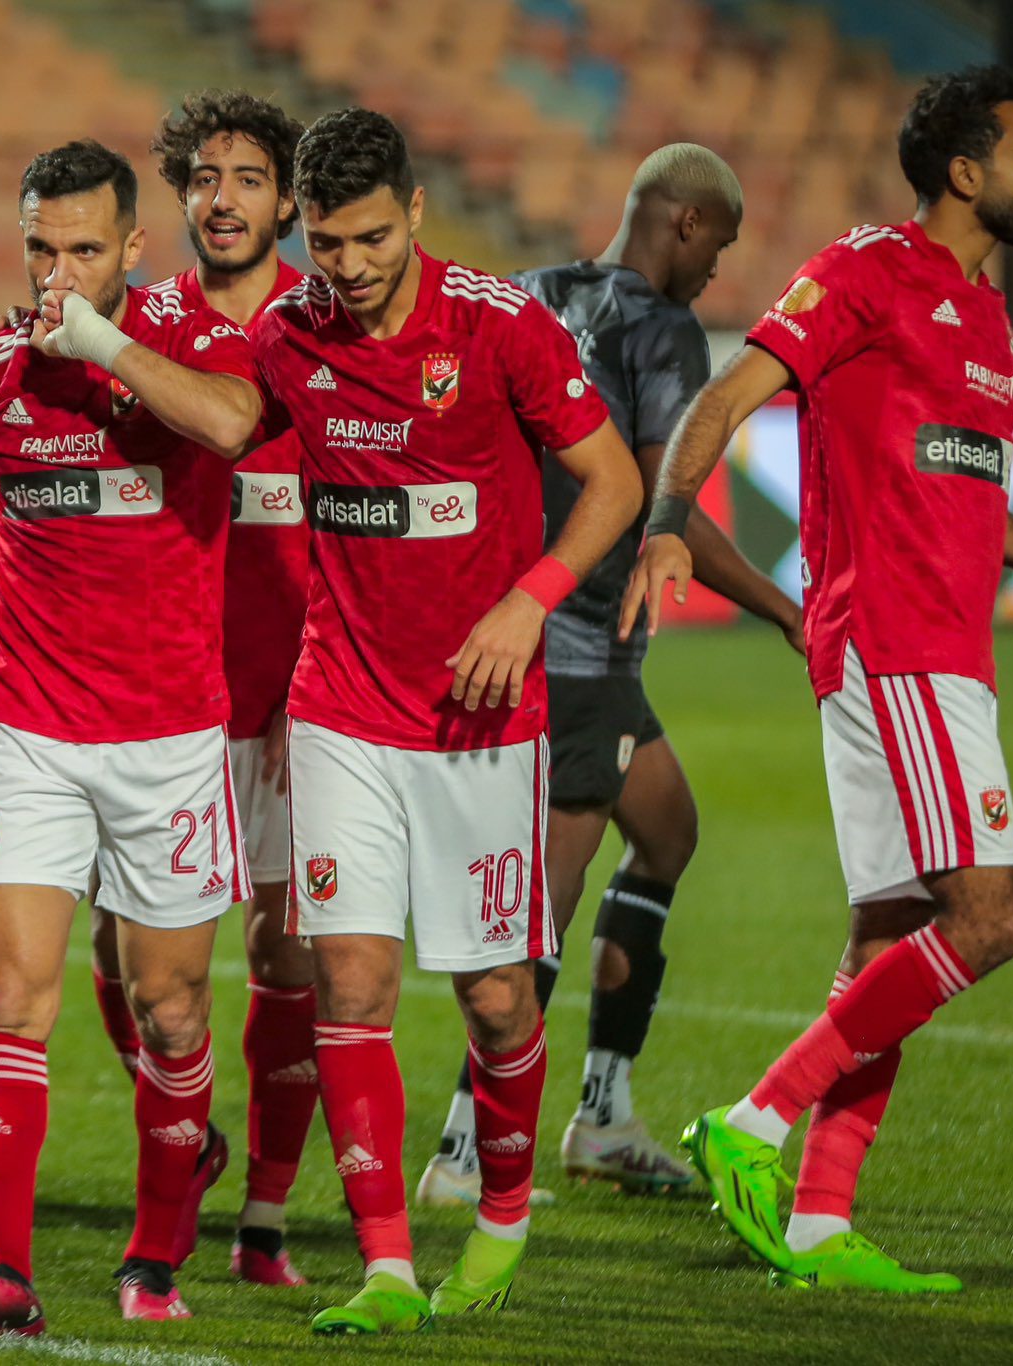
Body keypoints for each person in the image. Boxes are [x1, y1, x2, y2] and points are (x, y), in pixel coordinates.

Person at [624, 66, 1013, 1292]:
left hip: (947, 649)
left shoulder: (986, 323)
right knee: (990, 920)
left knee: (890, 932)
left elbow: (955, 489)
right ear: (965, 171)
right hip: (892, 647)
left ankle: (815, 1224)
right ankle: (750, 1121)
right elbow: (728, 393)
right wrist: (667, 517)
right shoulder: (861, 272)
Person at [0, 138, 264, 1335]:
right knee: (11, 993)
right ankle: (5, 1271)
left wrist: (103, 347)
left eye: (83, 251)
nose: (57, 272)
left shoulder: (190, 343)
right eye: (40, 249)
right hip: (26, 733)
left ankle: (153, 1254)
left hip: (170, 739)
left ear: (131, 249)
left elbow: (235, 426)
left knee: (172, 1012)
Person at [249, 108, 642, 1334]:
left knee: (492, 1000)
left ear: (415, 211)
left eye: (369, 238)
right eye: (326, 245)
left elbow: (613, 480)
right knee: (350, 977)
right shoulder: (287, 333)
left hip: (479, 719)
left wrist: (529, 602)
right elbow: (219, 427)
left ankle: (504, 1219)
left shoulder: (498, 326)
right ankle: (381, 1264)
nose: (350, 268)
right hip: (340, 705)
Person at [417, 143, 803, 1207]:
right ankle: (462, 1149)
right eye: (716, 245)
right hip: (580, 654)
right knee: (540, 906)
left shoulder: (531, 295)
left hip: (531, 628)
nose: (716, 269)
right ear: (682, 223)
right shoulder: (662, 329)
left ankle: (601, 1113)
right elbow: (652, 508)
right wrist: (783, 609)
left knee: (667, 829)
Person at [70, 89, 317, 1288]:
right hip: (160, 699)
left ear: (287, 198)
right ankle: (190, 1137)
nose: (221, 200)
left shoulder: (330, 326)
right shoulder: (137, 321)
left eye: (247, 178)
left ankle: (258, 1222)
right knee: (125, 968)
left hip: (307, 700)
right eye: (203, 179)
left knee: (291, 963)